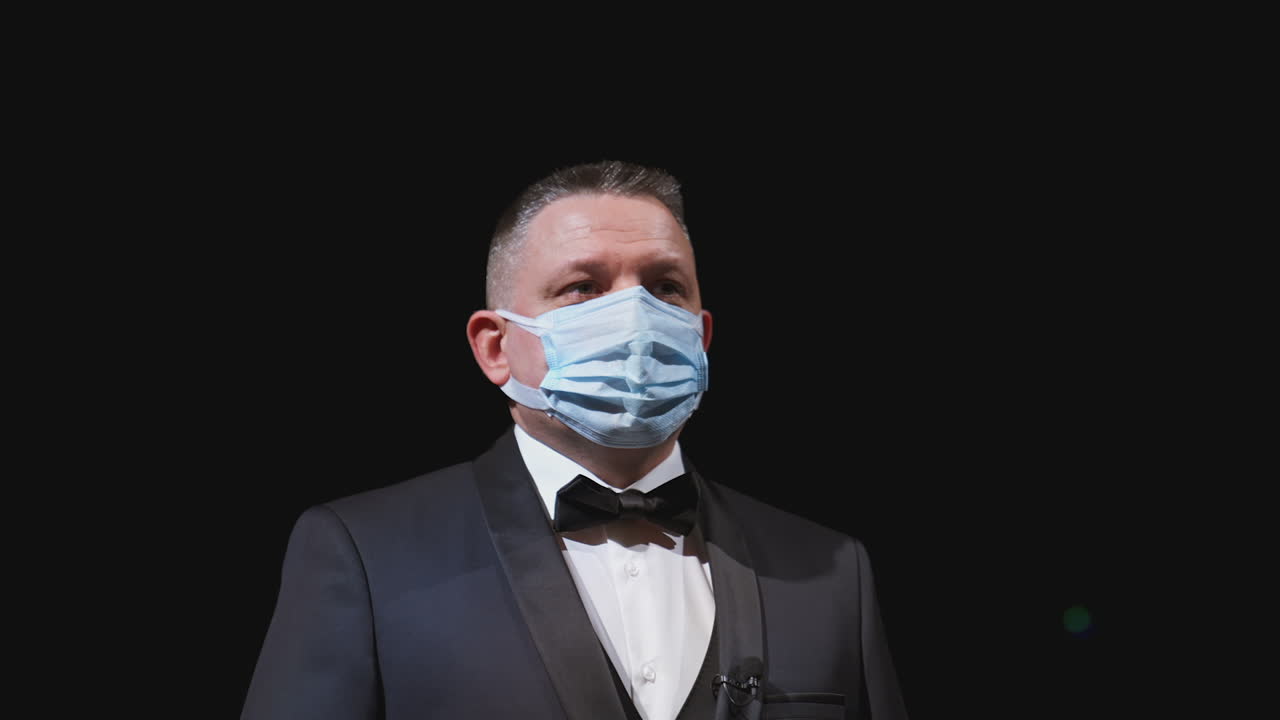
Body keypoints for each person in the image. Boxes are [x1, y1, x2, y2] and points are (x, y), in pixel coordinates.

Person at [242, 160, 909, 719]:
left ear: (702, 338)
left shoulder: (830, 571)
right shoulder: (364, 554)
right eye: (583, 288)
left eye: (665, 286)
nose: (637, 317)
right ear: (496, 347)